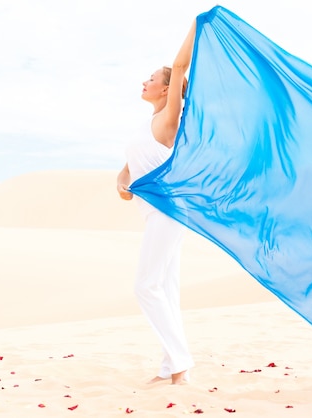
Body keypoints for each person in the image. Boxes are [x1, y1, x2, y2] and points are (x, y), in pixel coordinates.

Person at [116, 20, 196, 385]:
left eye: (151, 79)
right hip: (154, 215)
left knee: (145, 286)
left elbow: (179, 67)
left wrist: (197, 27)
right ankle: (171, 367)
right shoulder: (145, 126)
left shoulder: (168, 119)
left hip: (167, 212)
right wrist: (122, 180)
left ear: (166, 91)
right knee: (165, 288)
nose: (144, 83)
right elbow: (130, 168)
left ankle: (180, 364)